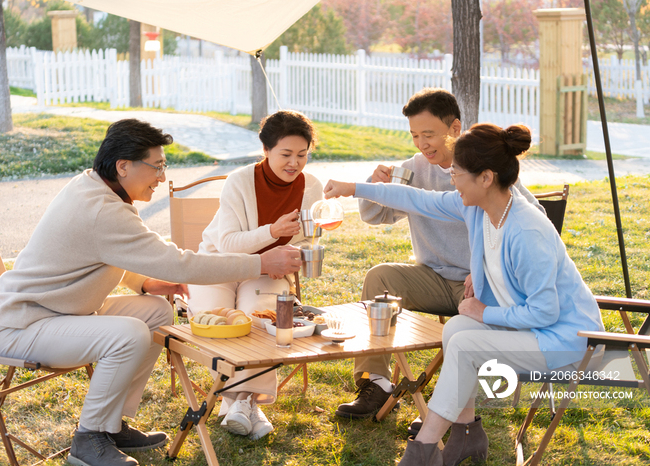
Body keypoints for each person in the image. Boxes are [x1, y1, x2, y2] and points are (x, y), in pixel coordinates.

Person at [0, 119, 302, 466]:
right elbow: (181, 265)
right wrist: (259, 263)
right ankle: (89, 438)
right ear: (123, 166)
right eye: (157, 166)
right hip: (26, 326)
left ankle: (112, 423)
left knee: (156, 312)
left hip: (62, 313)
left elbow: (104, 252)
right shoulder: (101, 209)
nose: (162, 177)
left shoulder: (97, 188)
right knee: (129, 333)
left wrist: (144, 283)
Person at [324, 123, 604, 466]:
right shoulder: (477, 209)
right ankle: (466, 433)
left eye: (456, 173)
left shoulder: (528, 230)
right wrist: (352, 188)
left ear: (486, 178)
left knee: (468, 342)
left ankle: (422, 451)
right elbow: (416, 198)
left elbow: (545, 312)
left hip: (564, 341)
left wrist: (483, 312)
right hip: (529, 332)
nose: (451, 179)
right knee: (456, 329)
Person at [335, 88, 544, 420]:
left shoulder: (483, 167)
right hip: (433, 278)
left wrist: (487, 266)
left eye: (428, 134)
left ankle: (446, 407)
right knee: (379, 278)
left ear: (455, 129)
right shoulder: (414, 170)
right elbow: (377, 217)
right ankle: (376, 383)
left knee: (467, 321)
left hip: (480, 286)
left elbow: (531, 216)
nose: (422, 144)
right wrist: (374, 184)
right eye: (415, 135)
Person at [187, 109, 323, 440]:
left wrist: (305, 252)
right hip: (220, 265)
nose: (294, 163)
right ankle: (247, 403)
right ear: (265, 150)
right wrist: (272, 231)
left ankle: (238, 402)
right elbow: (228, 242)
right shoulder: (239, 181)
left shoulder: (312, 187)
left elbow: (307, 239)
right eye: (286, 154)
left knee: (264, 321)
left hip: (269, 271)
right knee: (221, 323)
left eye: (302, 155)